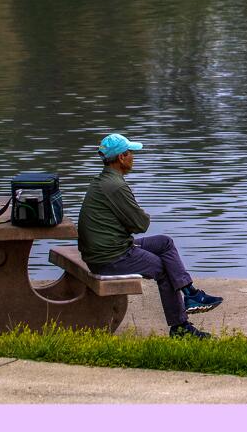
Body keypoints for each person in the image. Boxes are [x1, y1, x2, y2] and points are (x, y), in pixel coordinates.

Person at [78, 133, 222, 339]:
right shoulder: (116, 186)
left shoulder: (104, 181)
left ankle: (191, 294)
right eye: (131, 153)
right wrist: (140, 215)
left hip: (108, 249)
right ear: (121, 157)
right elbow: (141, 224)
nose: (133, 157)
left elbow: (132, 223)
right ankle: (180, 328)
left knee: (164, 243)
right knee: (163, 269)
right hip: (110, 257)